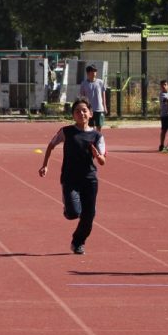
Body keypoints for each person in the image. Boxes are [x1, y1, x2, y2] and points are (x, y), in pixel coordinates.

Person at [38, 98, 107, 254]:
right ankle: (68, 208)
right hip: (70, 178)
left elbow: (102, 161)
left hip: (89, 179)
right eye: (77, 111)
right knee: (73, 213)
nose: (81, 113)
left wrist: (97, 155)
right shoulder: (66, 131)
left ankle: (78, 242)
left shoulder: (97, 136)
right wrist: (45, 165)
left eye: (84, 110)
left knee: (89, 217)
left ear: (90, 114)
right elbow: (51, 145)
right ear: (73, 115)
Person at [77, 64, 107, 130]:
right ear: (88, 73)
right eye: (92, 71)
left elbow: (103, 95)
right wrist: (83, 108)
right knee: (90, 127)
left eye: (95, 71)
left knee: (99, 126)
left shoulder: (100, 82)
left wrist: (104, 107)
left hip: (99, 108)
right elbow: (82, 97)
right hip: (89, 109)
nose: (94, 73)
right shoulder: (84, 84)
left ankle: (97, 139)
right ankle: (91, 139)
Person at [156, 79, 168, 152]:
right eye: (162, 85)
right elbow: (167, 101)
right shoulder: (162, 94)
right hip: (165, 115)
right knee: (164, 130)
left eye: (165, 84)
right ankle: (162, 145)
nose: (163, 86)